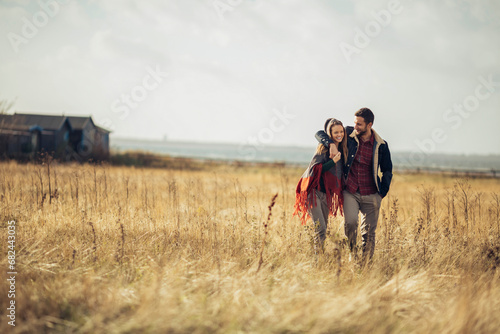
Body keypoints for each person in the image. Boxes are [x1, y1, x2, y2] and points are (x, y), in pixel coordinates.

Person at [315, 108, 392, 261]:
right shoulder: (349, 136)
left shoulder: (381, 145)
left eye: (359, 124)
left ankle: (365, 264)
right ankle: (352, 253)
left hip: (372, 193)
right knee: (350, 223)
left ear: (369, 125)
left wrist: (382, 192)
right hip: (350, 191)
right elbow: (319, 133)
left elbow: (387, 170)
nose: (355, 127)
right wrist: (330, 144)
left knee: (369, 232)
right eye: (355, 123)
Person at [293, 118, 347, 252]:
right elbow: (315, 169)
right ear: (330, 134)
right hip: (313, 192)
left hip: (326, 195)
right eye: (335, 132)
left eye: (341, 131)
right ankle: (317, 261)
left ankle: (318, 257)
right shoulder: (323, 149)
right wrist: (332, 162)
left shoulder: (344, 148)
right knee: (320, 228)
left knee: (323, 228)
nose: (339, 134)